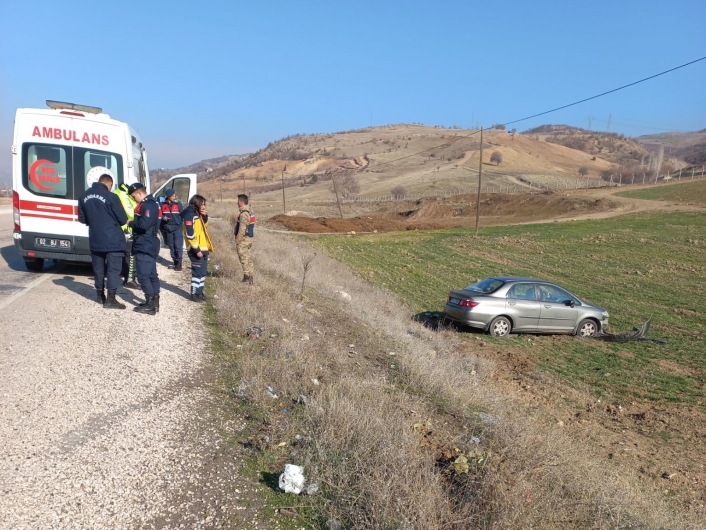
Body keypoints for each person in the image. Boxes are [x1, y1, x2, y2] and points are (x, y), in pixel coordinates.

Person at [77, 170, 128, 309]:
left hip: (95, 238)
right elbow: (123, 219)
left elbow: (81, 218)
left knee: (98, 269)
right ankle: (111, 300)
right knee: (113, 269)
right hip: (113, 240)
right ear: (109, 184)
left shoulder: (83, 196)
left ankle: (100, 296)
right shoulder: (111, 196)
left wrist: (94, 222)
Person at [127, 183, 161, 315]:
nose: (134, 199)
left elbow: (143, 225)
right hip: (148, 242)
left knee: (143, 275)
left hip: (145, 243)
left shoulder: (148, 205)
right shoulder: (152, 203)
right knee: (152, 274)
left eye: (134, 196)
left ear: (139, 193)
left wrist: (130, 222)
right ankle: (154, 302)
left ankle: (150, 304)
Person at [182, 194, 214, 302]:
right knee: (197, 273)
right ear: (197, 203)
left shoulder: (197, 214)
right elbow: (190, 235)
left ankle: (200, 293)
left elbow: (203, 229)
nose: (204, 206)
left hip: (203, 247)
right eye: (202, 204)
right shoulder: (189, 215)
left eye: (205, 204)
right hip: (196, 249)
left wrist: (205, 217)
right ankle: (194, 294)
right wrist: (197, 250)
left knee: (202, 272)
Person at [114, 182, 139, 289]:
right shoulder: (122, 194)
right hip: (127, 229)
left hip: (127, 228)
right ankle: (129, 279)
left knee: (128, 254)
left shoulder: (122, 193)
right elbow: (130, 212)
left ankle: (128, 276)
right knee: (130, 254)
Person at [160, 189, 184, 271]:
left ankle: (179, 263)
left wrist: (180, 222)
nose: (174, 197)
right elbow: (160, 215)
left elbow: (183, 215)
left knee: (178, 246)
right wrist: (163, 217)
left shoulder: (178, 204)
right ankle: (175, 261)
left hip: (177, 228)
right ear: (168, 197)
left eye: (174, 195)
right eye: (173, 196)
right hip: (168, 228)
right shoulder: (162, 205)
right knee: (171, 246)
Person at [234, 194, 254, 285]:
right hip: (249, 239)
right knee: (248, 258)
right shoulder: (250, 211)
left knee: (244, 258)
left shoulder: (244, 213)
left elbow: (242, 229)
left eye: (238, 201)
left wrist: (238, 240)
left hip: (244, 239)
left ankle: (247, 278)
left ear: (241, 202)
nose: (237, 202)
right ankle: (250, 278)